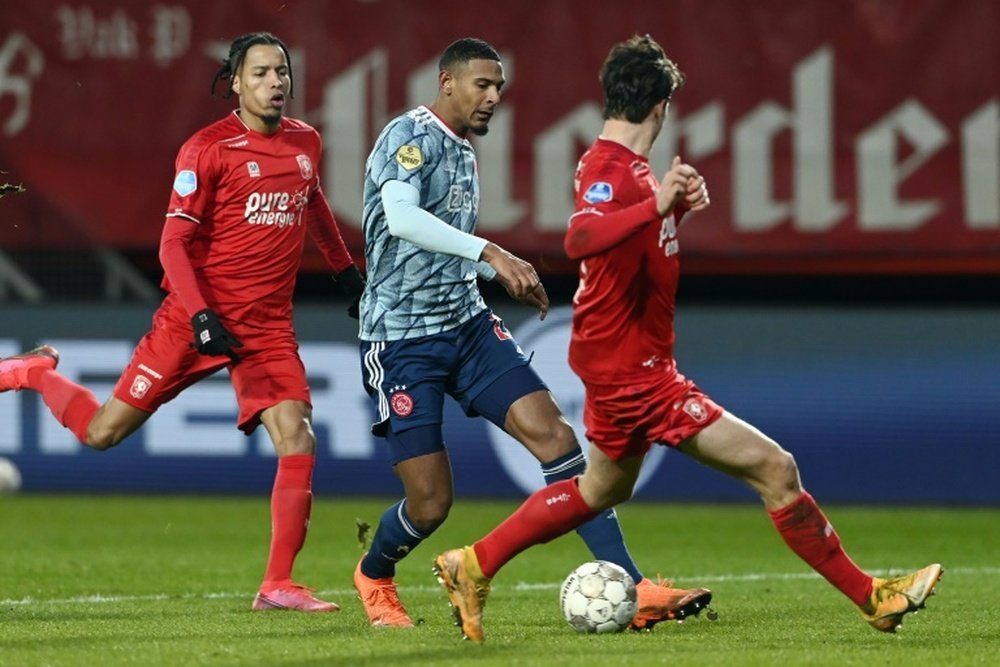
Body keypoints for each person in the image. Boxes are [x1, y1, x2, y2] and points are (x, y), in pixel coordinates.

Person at [432, 34, 943, 643]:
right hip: (635, 374)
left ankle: (474, 563)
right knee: (775, 469)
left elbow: (630, 253)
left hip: (623, 362)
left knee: (601, 488)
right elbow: (580, 240)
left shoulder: (635, 173)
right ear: (661, 108)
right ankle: (873, 597)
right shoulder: (608, 171)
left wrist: (673, 210)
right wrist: (657, 207)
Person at [352, 37, 711, 631]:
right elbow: (402, 219)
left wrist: (487, 272)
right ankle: (375, 573)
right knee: (432, 503)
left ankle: (636, 586)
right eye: (481, 85)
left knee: (557, 438)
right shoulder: (407, 135)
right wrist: (492, 251)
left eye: (499, 88)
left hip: (466, 326)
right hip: (401, 341)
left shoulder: (463, 151)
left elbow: (436, 248)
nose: (493, 97)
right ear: (446, 82)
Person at [0, 32, 364, 613]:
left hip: (267, 326)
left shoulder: (305, 142)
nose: (276, 82)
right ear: (236, 84)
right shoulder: (207, 149)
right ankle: (34, 372)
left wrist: (345, 268)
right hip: (193, 319)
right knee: (103, 435)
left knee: (297, 438)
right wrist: (199, 316)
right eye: (262, 73)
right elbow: (172, 245)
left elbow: (312, 200)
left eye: (283, 72)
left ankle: (277, 585)